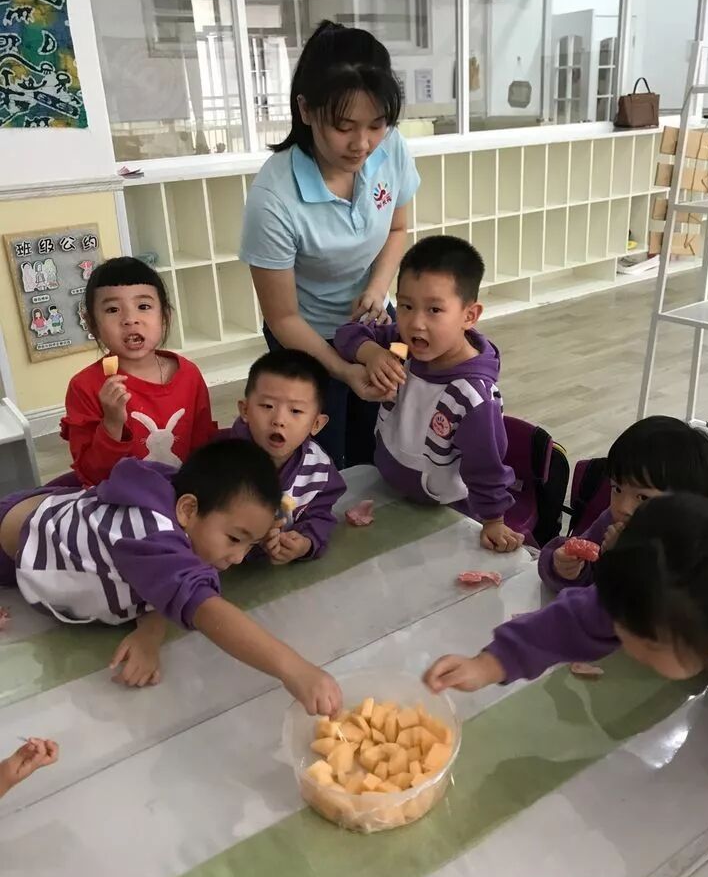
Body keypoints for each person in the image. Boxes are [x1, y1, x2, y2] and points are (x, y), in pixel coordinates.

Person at [0, 439, 342, 715]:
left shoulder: (187, 515)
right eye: (234, 539)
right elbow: (201, 605)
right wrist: (294, 669)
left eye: (250, 544)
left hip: (56, 517)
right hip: (11, 540)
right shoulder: (148, 531)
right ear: (188, 509)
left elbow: (162, 580)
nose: (238, 557)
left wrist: (150, 631)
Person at [240, 20, 420, 470]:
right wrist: (341, 369)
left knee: (380, 437)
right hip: (307, 335)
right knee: (319, 457)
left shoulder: (391, 148)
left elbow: (397, 229)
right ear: (306, 109)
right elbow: (283, 317)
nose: (362, 144)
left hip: (371, 323)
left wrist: (377, 290)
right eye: (344, 126)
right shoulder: (273, 199)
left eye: (376, 124)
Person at [423, 483, 708, 691]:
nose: (622, 644)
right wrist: (487, 666)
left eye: (651, 646)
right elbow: (567, 624)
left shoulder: (691, 602)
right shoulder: (645, 592)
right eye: (619, 627)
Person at [335, 235, 522, 553]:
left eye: (434, 309)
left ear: (469, 315)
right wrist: (371, 354)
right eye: (406, 306)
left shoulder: (472, 396)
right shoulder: (400, 346)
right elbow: (347, 334)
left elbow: (486, 466)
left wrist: (493, 520)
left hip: (444, 513)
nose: (415, 323)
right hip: (388, 494)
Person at [60, 256, 217, 486]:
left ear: (165, 316)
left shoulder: (189, 374)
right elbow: (94, 475)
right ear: (92, 324)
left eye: (143, 306)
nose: (130, 319)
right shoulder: (85, 386)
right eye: (113, 309)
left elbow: (204, 450)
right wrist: (112, 424)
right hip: (121, 498)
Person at [539, 417, 708, 593]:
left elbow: (661, 606)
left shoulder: (698, 551)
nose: (622, 507)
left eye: (643, 497)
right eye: (617, 489)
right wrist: (565, 569)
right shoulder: (610, 521)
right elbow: (583, 575)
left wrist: (623, 563)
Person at [231, 349, 345, 564]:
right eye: (267, 406)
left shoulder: (318, 468)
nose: (279, 420)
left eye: (295, 411)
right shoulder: (220, 461)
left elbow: (320, 514)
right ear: (245, 410)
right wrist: (252, 538)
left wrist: (306, 543)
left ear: (316, 424)